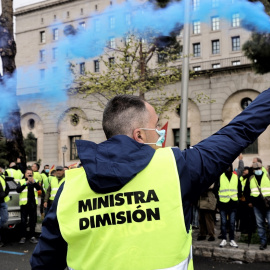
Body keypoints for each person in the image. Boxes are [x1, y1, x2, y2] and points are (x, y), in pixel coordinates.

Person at [31, 90, 270, 270]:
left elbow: (44, 262)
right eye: (156, 127)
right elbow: (239, 130)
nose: (161, 135)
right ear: (140, 135)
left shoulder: (69, 187)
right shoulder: (175, 168)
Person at [215, 165, 242, 248]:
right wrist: (218, 199)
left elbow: (239, 188)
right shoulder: (220, 177)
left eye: (229, 167)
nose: (228, 169)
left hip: (233, 203)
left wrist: (238, 198)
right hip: (223, 203)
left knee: (232, 222)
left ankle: (231, 239)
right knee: (223, 222)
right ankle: (224, 239)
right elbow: (215, 189)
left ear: (232, 168)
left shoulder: (235, 177)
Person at [245, 162, 270, 250]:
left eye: (259, 169)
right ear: (253, 170)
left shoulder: (268, 176)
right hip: (256, 205)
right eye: (256, 169)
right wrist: (249, 202)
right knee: (260, 224)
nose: (257, 171)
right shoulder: (251, 178)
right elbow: (246, 191)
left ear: (261, 168)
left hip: (268, 205)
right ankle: (263, 242)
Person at [16, 167, 41, 244]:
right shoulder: (21, 181)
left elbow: (39, 189)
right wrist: (25, 183)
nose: (29, 174)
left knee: (32, 221)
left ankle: (32, 237)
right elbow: (18, 190)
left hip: (33, 204)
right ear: (25, 174)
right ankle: (23, 237)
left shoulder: (35, 181)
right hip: (24, 204)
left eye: (31, 173)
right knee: (23, 221)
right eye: (28, 173)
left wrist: (34, 182)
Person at [0, 174, 10, 247]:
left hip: (2, 202)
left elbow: (8, 187)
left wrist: (4, 194)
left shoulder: (2, 177)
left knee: (5, 219)